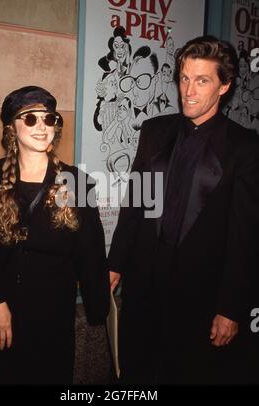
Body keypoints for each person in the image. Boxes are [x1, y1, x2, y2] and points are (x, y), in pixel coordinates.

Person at [108, 36, 259, 384]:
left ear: (224, 86)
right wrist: (115, 263)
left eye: (202, 80)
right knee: (134, 369)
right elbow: (135, 203)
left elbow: (244, 238)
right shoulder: (154, 130)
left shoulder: (245, 148)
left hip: (200, 295)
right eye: (184, 78)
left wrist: (230, 308)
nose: (188, 90)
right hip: (143, 282)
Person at [0, 86, 110, 384]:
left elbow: (91, 252)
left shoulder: (78, 182)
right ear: (11, 128)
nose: (42, 127)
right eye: (30, 119)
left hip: (54, 313)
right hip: (5, 310)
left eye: (49, 119)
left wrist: (98, 309)